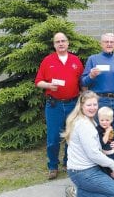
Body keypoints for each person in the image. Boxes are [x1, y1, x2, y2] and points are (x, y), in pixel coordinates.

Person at [35, 32, 84, 180]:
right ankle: (53, 166)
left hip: (72, 104)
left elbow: (82, 82)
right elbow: (38, 82)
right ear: (54, 44)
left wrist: (84, 99)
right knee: (53, 138)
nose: (61, 44)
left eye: (63, 41)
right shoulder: (47, 60)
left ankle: (68, 162)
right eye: (58, 42)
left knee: (71, 136)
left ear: (68, 43)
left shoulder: (76, 60)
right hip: (54, 105)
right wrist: (48, 85)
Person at [62, 90, 114, 197]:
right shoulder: (84, 125)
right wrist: (112, 165)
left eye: (95, 104)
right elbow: (94, 154)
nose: (93, 107)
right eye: (89, 105)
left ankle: (79, 192)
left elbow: (97, 146)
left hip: (89, 167)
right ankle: (77, 193)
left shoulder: (90, 120)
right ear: (81, 106)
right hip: (83, 172)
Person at [80, 33, 114, 138]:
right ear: (101, 44)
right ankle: (98, 153)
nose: (109, 44)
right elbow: (83, 82)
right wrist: (91, 76)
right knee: (98, 130)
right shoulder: (93, 59)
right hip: (100, 100)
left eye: (111, 42)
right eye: (106, 42)